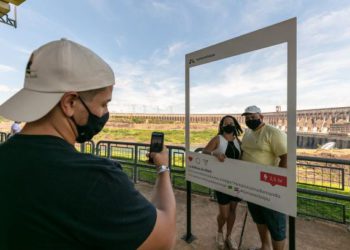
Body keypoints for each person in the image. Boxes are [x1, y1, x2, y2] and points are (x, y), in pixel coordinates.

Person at [0, 39, 176, 250]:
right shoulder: (95, 180)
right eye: (103, 104)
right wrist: (163, 168)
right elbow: (165, 238)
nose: (104, 114)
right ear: (70, 103)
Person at [241, 105, 287, 250]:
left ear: (261, 117)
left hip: (269, 186)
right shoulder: (247, 133)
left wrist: (278, 184)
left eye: (253, 117)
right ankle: (264, 247)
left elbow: (286, 157)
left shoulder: (273, 133)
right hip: (251, 185)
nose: (250, 120)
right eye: (247, 118)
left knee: (276, 224)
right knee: (259, 218)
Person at [203, 115, 243, 250]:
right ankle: (219, 232)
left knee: (233, 210)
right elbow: (204, 152)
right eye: (226, 123)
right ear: (222, 126)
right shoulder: (217, 139)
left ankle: (229, 236)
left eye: (231, 123)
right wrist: (215, 155)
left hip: (236, 180)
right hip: (221, 181)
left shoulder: (238, 140)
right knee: (224, 213)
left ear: (235, 125)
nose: (229, 125)